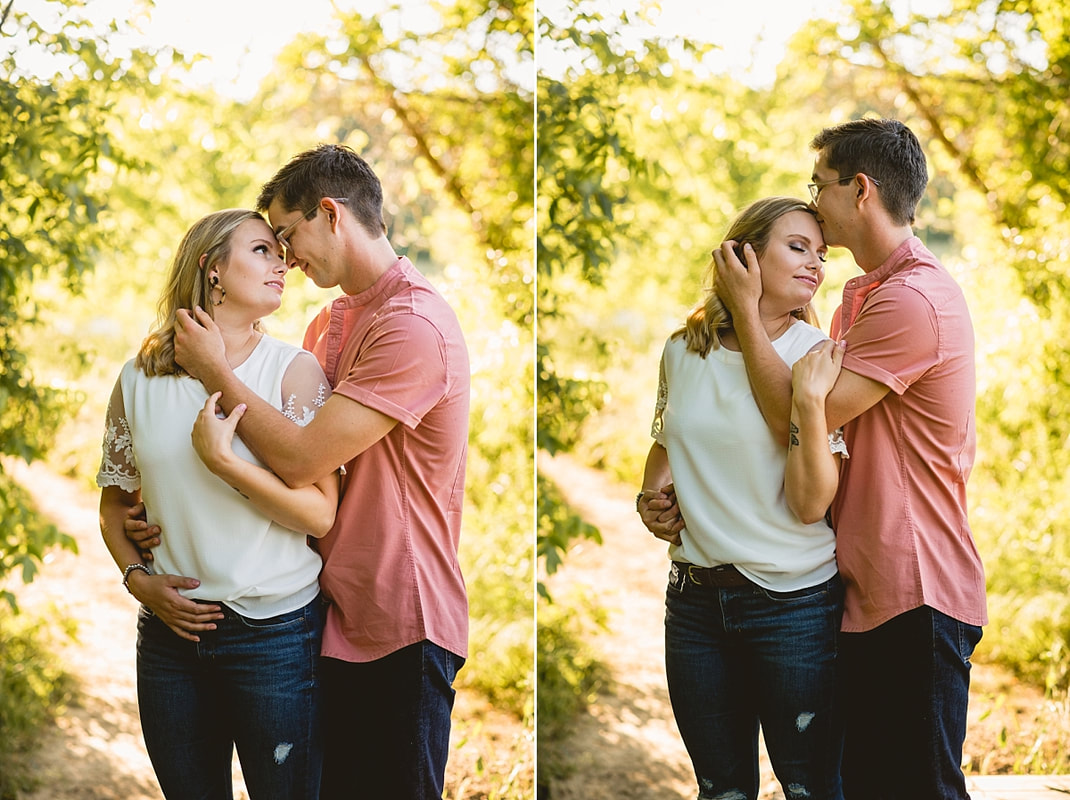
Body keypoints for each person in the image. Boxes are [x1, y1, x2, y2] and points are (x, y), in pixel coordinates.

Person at [151, 144, 471, 800]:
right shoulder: (329, 319)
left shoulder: (412, 324)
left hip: (399, 616)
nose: (287, 257)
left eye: (288, 235)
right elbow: (277, 441)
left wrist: (214, 368)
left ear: (330, 214)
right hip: (330, 613)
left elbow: (299, 458)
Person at [715, 119, 987, 799]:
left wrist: (745, 310)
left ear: (860, 190)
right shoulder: (860, 299)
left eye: (821, 186)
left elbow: (794, 415)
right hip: (864, 592)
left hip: (915, 592)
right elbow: (811, 438)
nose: (814, 199)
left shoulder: (911, 300)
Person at [97, 208, 338, 800]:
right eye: (260, 249)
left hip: (278, 636)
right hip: (169, 639)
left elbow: (319, 514)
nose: (281, 261)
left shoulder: (294, 372)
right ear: (212, 270)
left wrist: (224, 464)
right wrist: (137, 579)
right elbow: (113, 507)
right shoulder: (138, 377)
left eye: (280, 250)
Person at [638, 197, 848, 800]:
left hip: (794, 607)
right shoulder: (682, 350)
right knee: (721, 791)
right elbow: (664, 445)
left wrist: (750, 317)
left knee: (810, 788)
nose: (815, 265)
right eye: (798, 247)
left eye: (821, 253)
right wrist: (649, 498)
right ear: (743, 254)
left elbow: (811, 504)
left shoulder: (817, 357)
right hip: (695, 605)